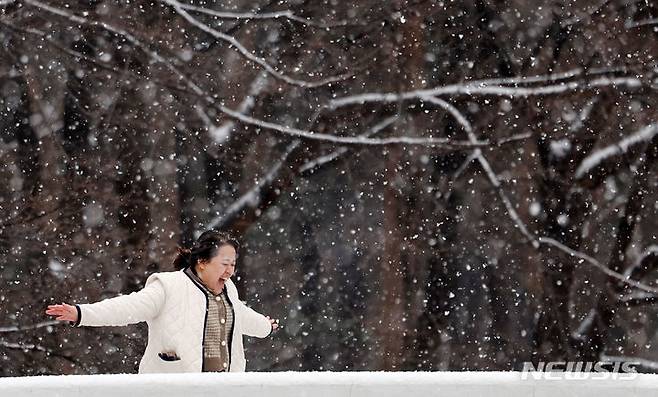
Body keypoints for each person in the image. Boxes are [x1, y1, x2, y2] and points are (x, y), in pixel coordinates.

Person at [45, 230, 279, 373]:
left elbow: (241, 316)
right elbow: (128, 307)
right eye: (225, 263)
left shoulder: (228, 290)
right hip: (176, 388)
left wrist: (266, 327)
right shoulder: (169, 286)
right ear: (202, 262)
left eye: (233, 264)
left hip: (223, 388)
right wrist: (81, 313)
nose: (230, 271)